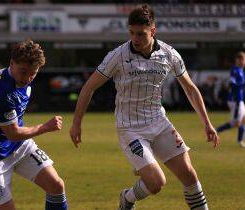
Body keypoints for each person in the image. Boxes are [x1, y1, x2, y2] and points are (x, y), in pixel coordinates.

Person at [69, 5, 219, 210]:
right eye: (132, 33)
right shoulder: (118, 56)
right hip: (130, 128)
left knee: (189, 175)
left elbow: (190, 89)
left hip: (159, 122)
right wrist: (76, 123)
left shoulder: (169, 54)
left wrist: (207, 123)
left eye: (141, 34)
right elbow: (88, 88)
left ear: (153, 31)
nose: (135, 39)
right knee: (156, 183)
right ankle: (128, 198)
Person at [0, 39, 68, 210]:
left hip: (21, 146)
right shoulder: (3, 93)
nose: (28, 78)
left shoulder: (11, 76)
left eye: (33, 73)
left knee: (56, 186)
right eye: (23, 71)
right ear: (11, 63)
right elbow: (13, 133)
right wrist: (46, 127)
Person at [216, 51, 245, 147]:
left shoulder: (241, 71)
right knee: (236, 123)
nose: (243, 62)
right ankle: (216, 131)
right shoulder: (235, 70)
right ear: (238, 60)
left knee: (241, 120)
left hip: (239, 100)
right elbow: (232, 84)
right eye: (242, 59)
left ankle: (240, 140)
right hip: (235, 100)